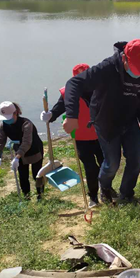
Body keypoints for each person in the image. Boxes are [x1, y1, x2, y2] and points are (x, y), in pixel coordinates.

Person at [62, 39, 140, 205]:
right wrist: (71, 116)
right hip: (106, 121)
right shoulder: (107, 68)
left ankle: (126, 195)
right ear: (124, 59)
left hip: (129, 120)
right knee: (112, 163)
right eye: (135, 69)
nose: (138, 74)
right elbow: (74, 83)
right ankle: (105, 187)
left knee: (136, 160)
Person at [40, 63, 104, 208]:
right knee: (91, 168)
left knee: (106, 164)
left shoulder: (100, 88)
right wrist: (49, 115)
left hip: (101, 136)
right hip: (81, 139)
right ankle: (93, 196)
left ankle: (106, 190)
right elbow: (57, 111)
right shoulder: (68, 93)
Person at [0, 101, 44, 199]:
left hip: (34, 150)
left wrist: (17, 157)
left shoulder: (26, 124)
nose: (6, 121)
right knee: (23, 176)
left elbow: (26, 142)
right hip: (19, 153)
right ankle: (26, 197)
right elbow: (0, 141)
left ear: (15, 113)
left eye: (8, 118)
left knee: (37, 174)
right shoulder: (3, 125)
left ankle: (40, 195)